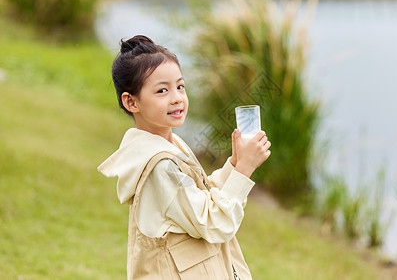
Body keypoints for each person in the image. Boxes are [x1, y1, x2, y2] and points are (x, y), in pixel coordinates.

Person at [98, 35, 271, 280]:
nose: (177, 97)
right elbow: (214, 222)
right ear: (131, 102)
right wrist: (244, 170)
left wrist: (233, 165)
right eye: (162, 90)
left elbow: (199, 197)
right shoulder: (158, 164)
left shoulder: (169, 143)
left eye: (180, 86)